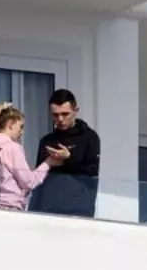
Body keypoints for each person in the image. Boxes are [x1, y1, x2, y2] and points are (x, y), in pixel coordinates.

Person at [0, 102, 63, 211]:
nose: (22, 132)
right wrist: (48, 163)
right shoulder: (12, 148)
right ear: (10, 124)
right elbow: (28, 181)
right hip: (9, 207)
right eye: (20, 127)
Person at [30, 89, 101, 217]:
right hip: (47, 210)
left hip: (78, 210)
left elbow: (92, 173)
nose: (60, 119)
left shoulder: (90, 137)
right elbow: (38, 180)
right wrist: (32, 211)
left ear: (75, 111)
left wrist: (68, 159)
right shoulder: (47, 141)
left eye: (65, 114)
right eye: (55, 115)